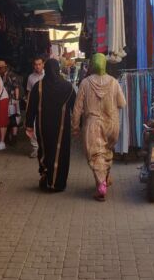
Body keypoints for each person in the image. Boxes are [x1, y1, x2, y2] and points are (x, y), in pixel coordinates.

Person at [71, 53, 126, 202]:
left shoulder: (85, 83)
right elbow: (122, 103)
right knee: (106, 151)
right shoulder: (114, 82)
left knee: (96, 155)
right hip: (112, 123)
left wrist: (75, 126)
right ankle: (106, 178)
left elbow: (77, 108)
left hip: (93, 124)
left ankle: (101, 187)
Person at [25, 59, 76, 193]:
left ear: (45, 69)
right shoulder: (68, 87)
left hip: (44, 127)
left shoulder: (39, 86)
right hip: (62, 129)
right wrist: (77, 125)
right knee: (61, 153)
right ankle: (58, 183)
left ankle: (46, 177)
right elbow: (75, 107)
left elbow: (31, 107)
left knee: (46, 151)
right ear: (58, 69)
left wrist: (29, 125)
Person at [0, 60, 21, 145]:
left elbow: (16, 87)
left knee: (13, 118)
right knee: (6, 118)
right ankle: (7, 137)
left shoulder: (11, 75)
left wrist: (16, 100)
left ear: (4, 67)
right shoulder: (1, 75)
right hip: (4, 100)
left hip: (12, 100)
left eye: (0, 68)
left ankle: (14, 137)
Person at [25, 56, 45, 158]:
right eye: (36, 64)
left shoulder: (48, 75)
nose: (37, 66)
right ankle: (35, 149)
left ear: (43, 64)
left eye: (39, 64)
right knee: (32, 127)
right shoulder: (30, 77)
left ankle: (45, 149)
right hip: (34, 106)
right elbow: (29, 93)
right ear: (34, 65)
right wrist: (28, 107)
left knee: (44, 127)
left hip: (46, 106)